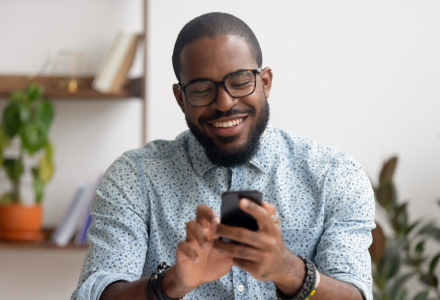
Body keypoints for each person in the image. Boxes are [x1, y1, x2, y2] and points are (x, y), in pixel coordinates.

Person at [71, 12, 375, 300]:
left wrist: (288, 269)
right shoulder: (134, 177)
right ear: (181, 98)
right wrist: (172, 282)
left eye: (241, 81)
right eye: (202, 89)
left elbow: (355, 294)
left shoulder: (335, 176)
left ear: (265, 82)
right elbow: (93, 294)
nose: (225, 103)